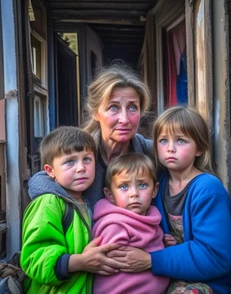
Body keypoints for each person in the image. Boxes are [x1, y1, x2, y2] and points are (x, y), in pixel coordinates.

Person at [27, 63, 152, 274]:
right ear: (96, 113)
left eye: (132, 107)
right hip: (88, 272)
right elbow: (39, 181)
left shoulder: (149, 152)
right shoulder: (82, 154)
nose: (124, 118)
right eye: (113, 107)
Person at [109, 106, 231, 294]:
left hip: (204, 284)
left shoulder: (207, 188)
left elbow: (214, 256)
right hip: (167, 276)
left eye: (181, 141)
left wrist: (151, 259)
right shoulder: (158, 185)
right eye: (163, 140)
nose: (170, 148)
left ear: (199, 148)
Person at [20, 126, 126, 293]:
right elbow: (34, 258)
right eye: (70, 161)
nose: (81, 168)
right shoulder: (49, 203)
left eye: (87, 159)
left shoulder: (88, 201)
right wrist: (80, 262)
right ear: (50, 171)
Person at [92, 153, 170, 294]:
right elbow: (109, 261)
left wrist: (165, 248)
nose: (134, 193)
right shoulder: (115, 225)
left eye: (142, 185)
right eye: (124, 187)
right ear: (110, 195)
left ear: (155, 190)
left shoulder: (152, 218)